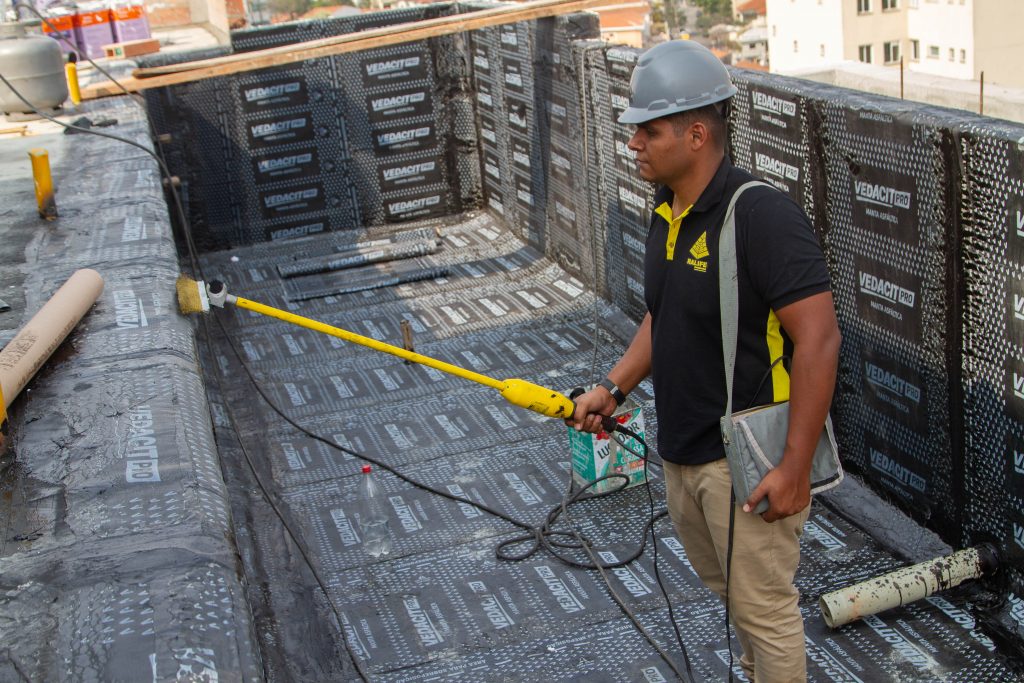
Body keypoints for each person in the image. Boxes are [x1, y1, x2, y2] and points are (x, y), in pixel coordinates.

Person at [568, 40, 841, 682]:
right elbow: (663, 316)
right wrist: (613, 385)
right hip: (681, 454)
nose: (633, 141)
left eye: (648, 129)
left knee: (766, 613)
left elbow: (819, 338)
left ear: (696, 133)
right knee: (739, 604)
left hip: (742, 465)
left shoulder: (761, 215)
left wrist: (795, 466)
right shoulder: (668, 211)